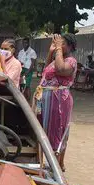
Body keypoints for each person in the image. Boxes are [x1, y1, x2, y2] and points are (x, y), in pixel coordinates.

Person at [34, 33, 78, 172]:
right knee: (42, 129)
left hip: (59, 100)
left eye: (63, 44)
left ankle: (58, 164)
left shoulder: (71, 61)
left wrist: (58, 49)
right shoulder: (56, 59)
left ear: (70, 46)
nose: (60, 46)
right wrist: (51, 51)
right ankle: (43, 162)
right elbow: (46, 71)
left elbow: (60, 69)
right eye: (59, 43)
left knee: (58, 129)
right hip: (45, 99)